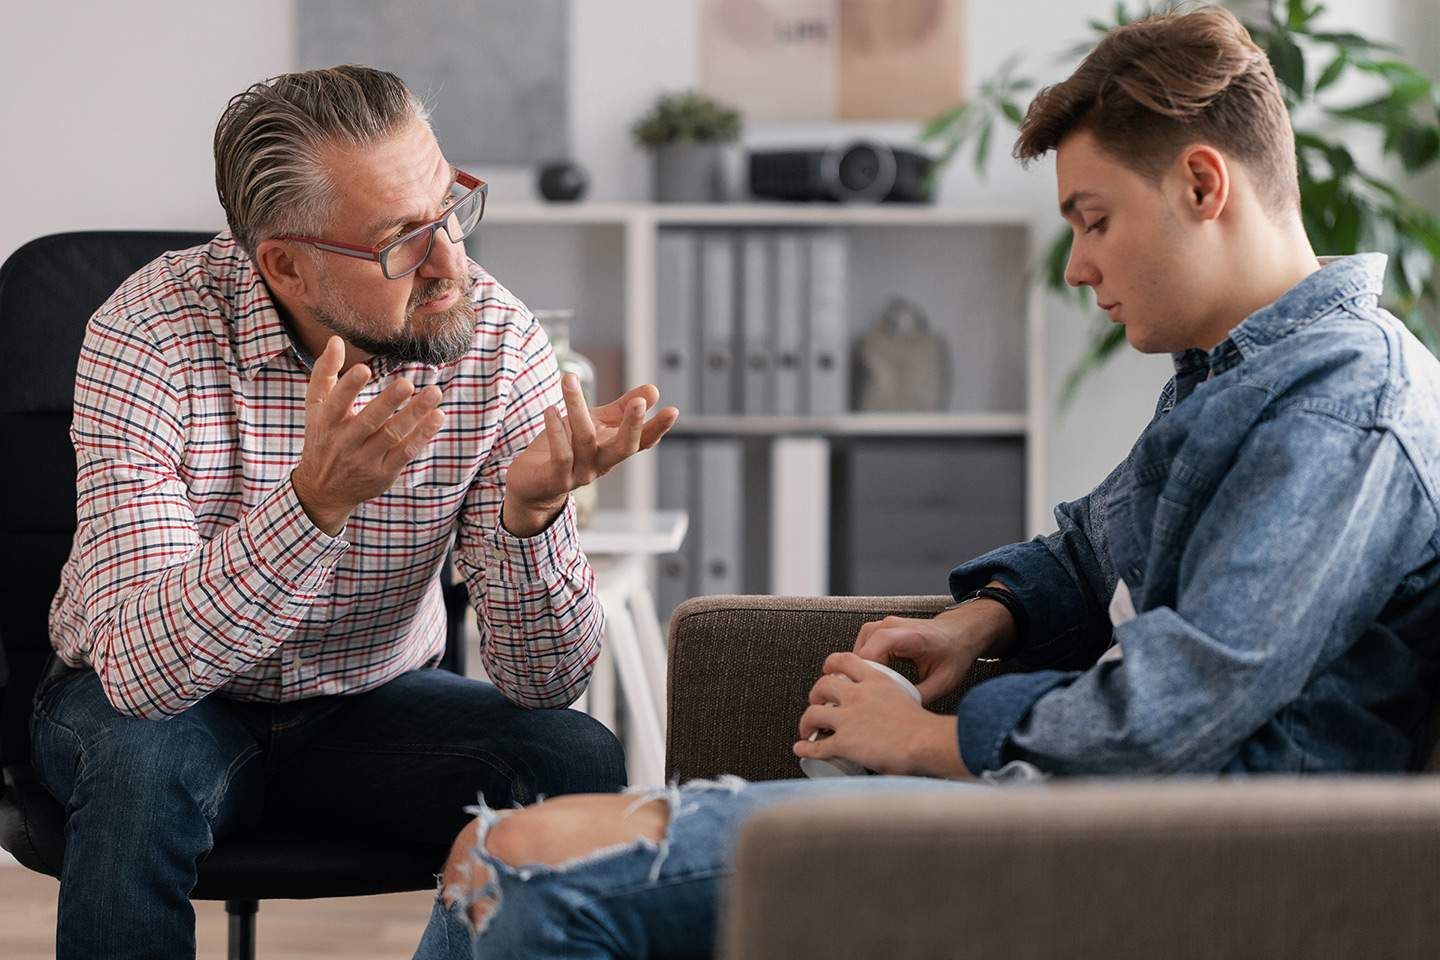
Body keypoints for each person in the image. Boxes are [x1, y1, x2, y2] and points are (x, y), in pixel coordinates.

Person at [412, 7, 1440, 958]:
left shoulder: (1342, 405)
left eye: (1093, 219)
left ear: (1203, 186)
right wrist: (979, 621)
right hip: (1087, 809)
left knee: (522, 868)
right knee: (499, 859)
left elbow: (1171, 714)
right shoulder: (1237, 374)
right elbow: (1091, 546)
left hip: (1183, 852)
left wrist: (930, 739)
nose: (1078, 268)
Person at [30, 65, 678, 959]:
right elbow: (146, 679)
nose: (452, 260)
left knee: (574, 758)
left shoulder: (494, 336)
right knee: (144, 765)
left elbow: (544, 682)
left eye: (449, 209)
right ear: (286, 265)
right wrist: (313, 505)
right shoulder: (146, 335)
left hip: (372, 701)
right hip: (157, 709)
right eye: (402, 241)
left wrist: (533, 518)